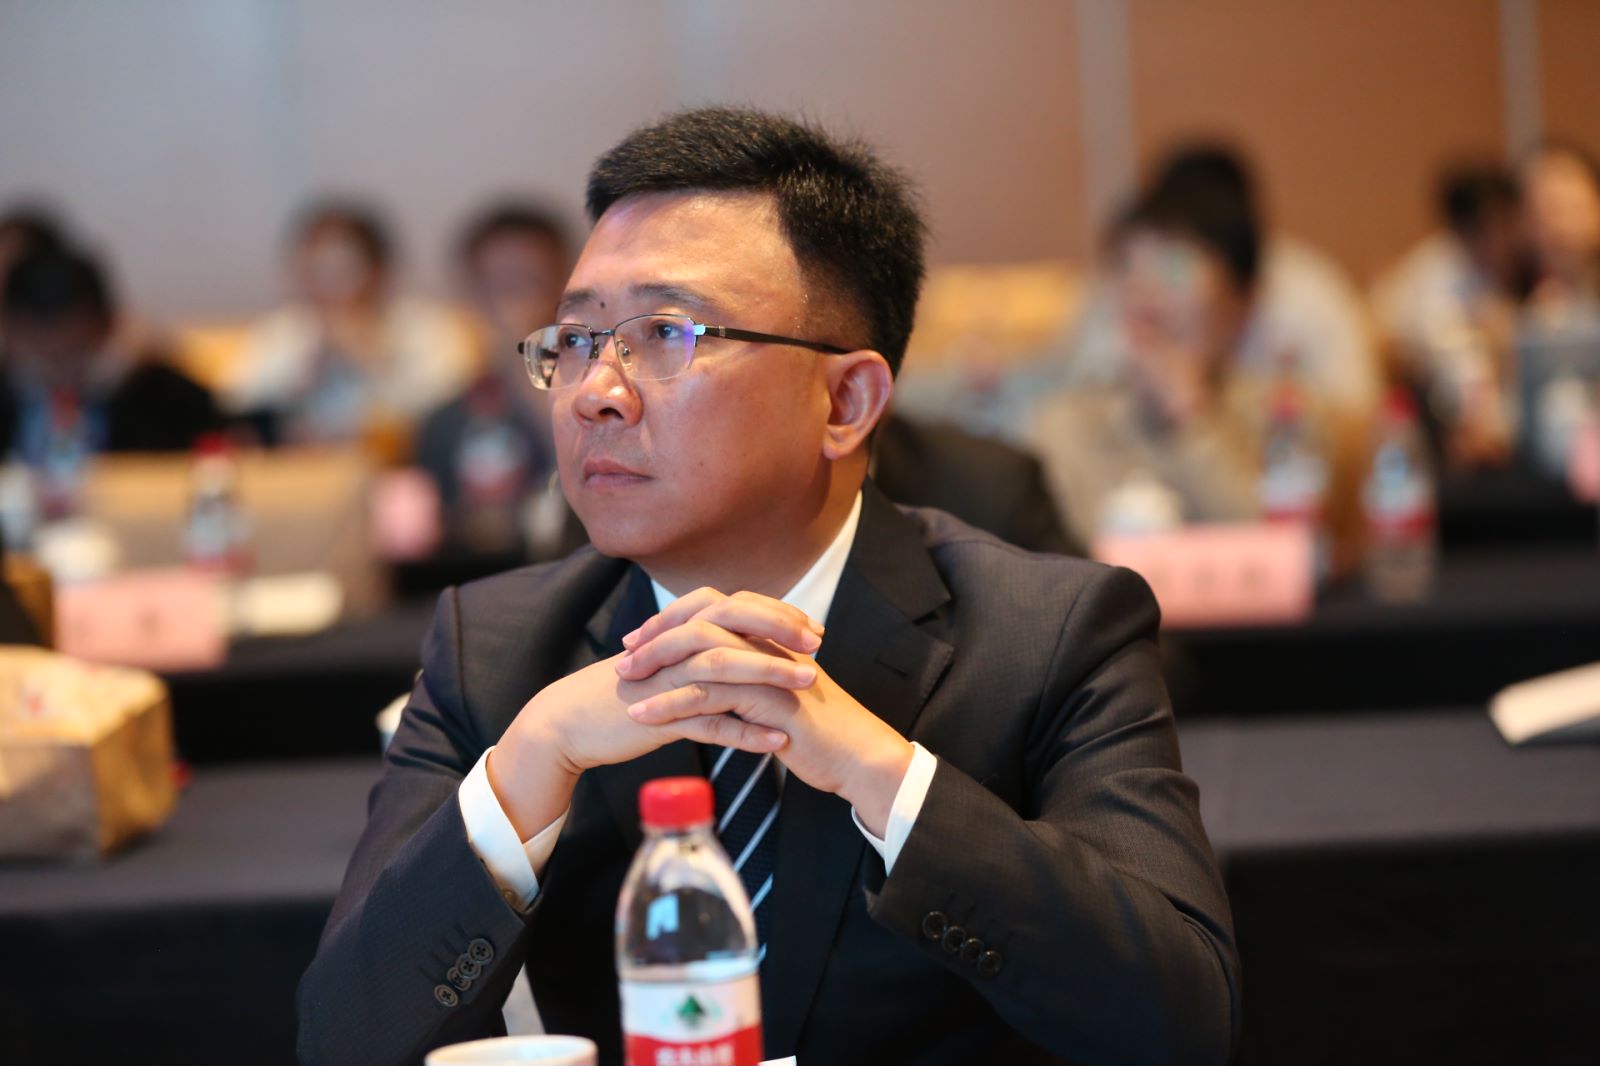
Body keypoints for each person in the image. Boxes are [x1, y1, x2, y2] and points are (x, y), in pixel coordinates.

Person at [298, 107, 1238, 1066]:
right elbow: (342, 1043)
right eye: (577, 340)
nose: (596, 393)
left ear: (844, 402)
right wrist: (531, 763)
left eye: (665, 334)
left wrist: (885, 777)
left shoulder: (1049, 633)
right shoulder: (498, 650)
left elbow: (1181, 1024)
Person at [222, 201, 475, 454]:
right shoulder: (285, 330)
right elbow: (239, 409)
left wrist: (372, 361)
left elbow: (448, 411)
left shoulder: (422, 326)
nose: (330, 283)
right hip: (302, 466)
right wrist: (301, 377)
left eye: (345, 267)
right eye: (315, 268)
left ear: (377, 270)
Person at [0, 245, 221, 515]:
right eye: (43, 356)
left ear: (107, 328)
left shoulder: (164, 396)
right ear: (10, 334)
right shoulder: (6, 394)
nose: (60, 374)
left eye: (75, 353)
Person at [415, 204, 574, 559]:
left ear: (568, 285)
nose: (513, 303)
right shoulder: (445, 422)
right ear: (472, 297)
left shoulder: (602, 398)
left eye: (529, 282)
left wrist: (528, 362)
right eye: (498, 285)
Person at [1371, 164, 1528, 469]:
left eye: (1509, 224)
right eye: (1491, 227)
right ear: (1462, 228)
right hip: (1430, 415)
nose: (1504, 240)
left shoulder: (1505, 270)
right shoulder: (1435, 279)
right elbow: (1454, 366)